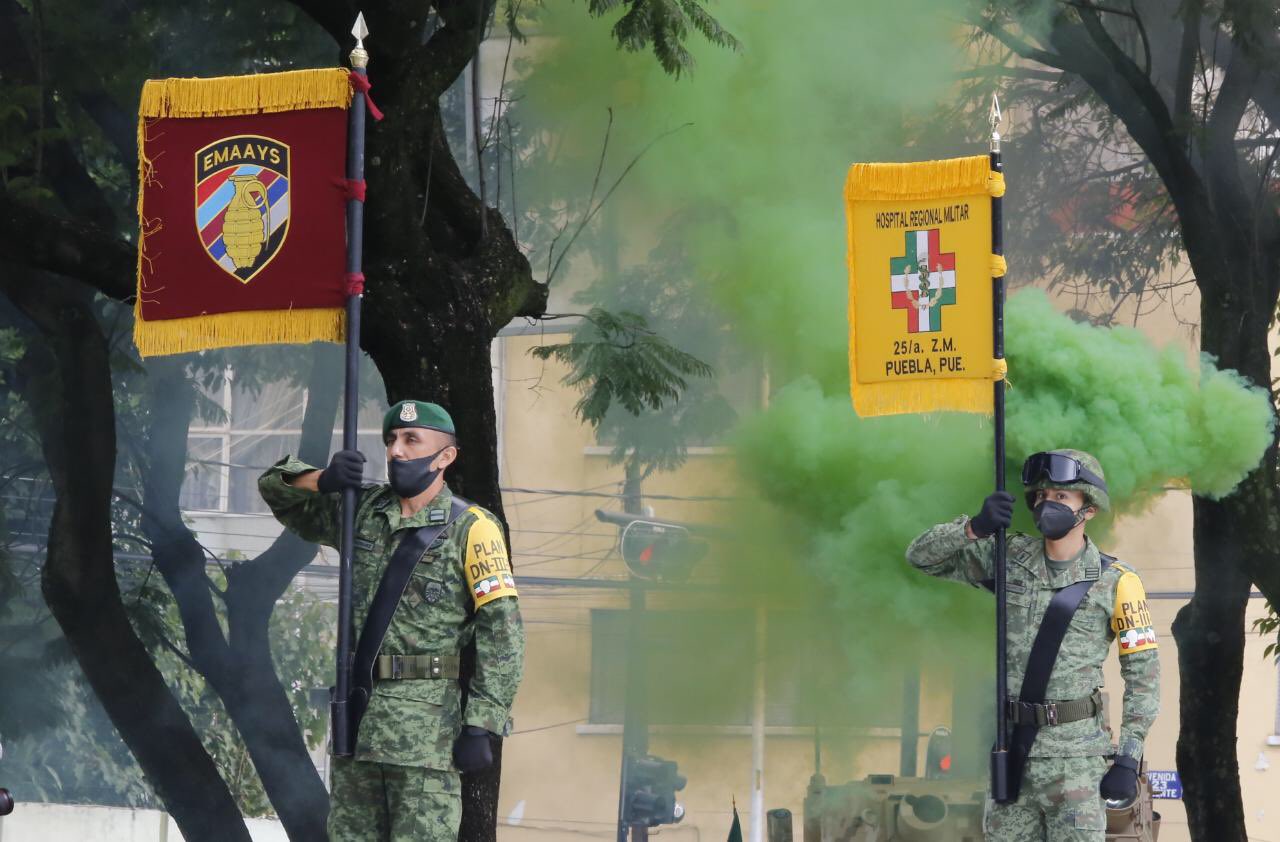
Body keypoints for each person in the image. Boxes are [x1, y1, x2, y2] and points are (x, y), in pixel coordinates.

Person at [259, 399, 525, 841]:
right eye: (391, 440)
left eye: (411, 439)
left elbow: (502, 630)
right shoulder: (361, 511)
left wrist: (483, 721)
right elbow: (277, 494)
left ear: (446, 456)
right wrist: (322, 479)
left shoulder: (473, 528)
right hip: (358, 725)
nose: (397, 451)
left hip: (425, 739)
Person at [905, 449, 1159, 841]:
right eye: (1041, 497)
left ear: (1088, 509)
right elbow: (921, 557)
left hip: (1075, 762)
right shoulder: (1008, 558)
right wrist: (973, 528)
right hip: (1014, 756)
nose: (1047, 504)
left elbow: (1143, 677)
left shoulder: (1119, 581)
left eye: (1061, 497)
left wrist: (1127, 756)